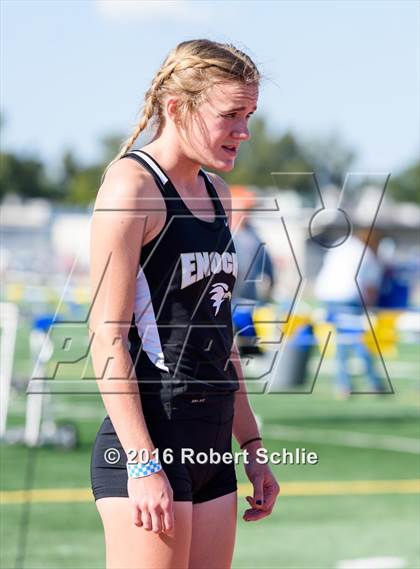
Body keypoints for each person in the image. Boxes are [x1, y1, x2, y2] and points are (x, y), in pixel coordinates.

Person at [89, 39, 280, 569]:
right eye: (231, 115)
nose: (243, 131)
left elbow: (220, 336)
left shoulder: (218, 194)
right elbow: (105, 336)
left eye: (250, 115)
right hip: (153, 437)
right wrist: (143, 463)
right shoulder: (133, 187)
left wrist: (253, 447)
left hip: (213, 443)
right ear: (178, 108)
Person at [314, 226, 386, 398]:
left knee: (343, 342)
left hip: (327, 294)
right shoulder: (367, 254)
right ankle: (372, 382)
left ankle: (344, 384)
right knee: (359, 340)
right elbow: (370, 288)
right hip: (348, 297)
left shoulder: (342, 244)